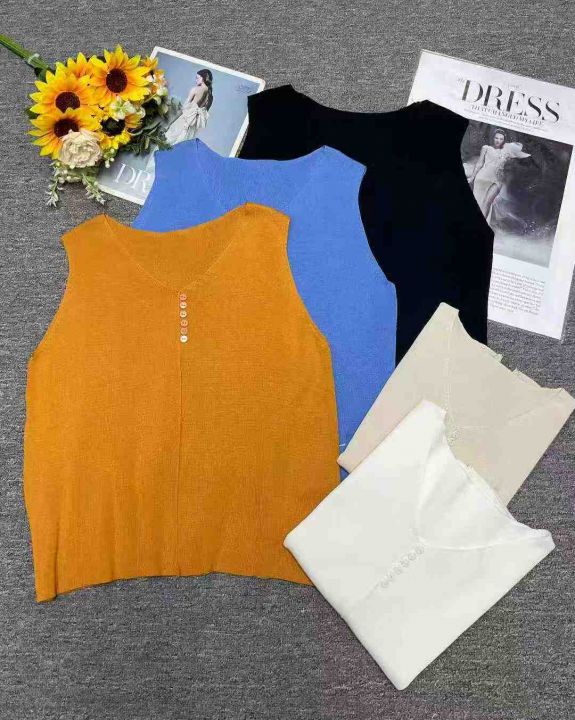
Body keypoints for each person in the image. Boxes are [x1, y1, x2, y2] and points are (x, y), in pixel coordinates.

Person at [468, 128, 530, 225]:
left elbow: (521, 150)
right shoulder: (486, 148)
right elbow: (479, 163)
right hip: (482, 178)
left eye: (501, 139)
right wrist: (472, 177)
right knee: (478, 203)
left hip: (497, 180)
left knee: (487, 203)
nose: (498, 141)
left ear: (504, 140)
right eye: (496, 138)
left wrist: (509, 146)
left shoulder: (507, 151)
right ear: (493, 138)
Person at [165, 69, 213, 145]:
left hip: (185, 119)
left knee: (169, 139)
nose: (196, 80)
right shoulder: (210, 96)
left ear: (203, 78)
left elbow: (183, 108)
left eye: (197, 78)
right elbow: (204, 112)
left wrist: (170, 122)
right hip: (193, 125)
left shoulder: (195, 89)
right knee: (182, 144)